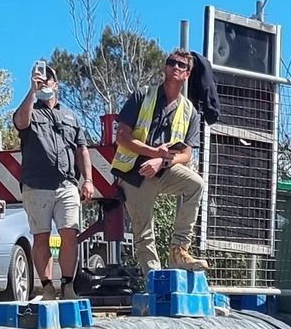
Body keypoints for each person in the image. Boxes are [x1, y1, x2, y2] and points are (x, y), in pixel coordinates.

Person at [110, 45, 216, 275]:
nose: (175, 67)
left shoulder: (190, 111)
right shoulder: (142, 96)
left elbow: (187, 154)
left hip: (164, 169)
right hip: (134, 172)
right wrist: (153, 154)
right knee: (143, 232)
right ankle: (154, 280)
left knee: (195, 184)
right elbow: (122, 137)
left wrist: (163, 161)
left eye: (181, 65)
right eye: (171, 62)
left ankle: (179, 251)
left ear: (187, 74)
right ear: (164, 67)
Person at [12, 59, 93, 300]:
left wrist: (87, 180)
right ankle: (47, 287)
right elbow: (20, 122)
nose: (43, 82)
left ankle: (68, 286)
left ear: (56, 84)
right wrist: (31, 91)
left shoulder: (70, 115)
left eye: (47, 79)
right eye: (39, 79)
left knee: (70, 233)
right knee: (41, 237)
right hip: (36, 186)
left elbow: (82, 149)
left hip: (67, 184)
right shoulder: (30, 109)